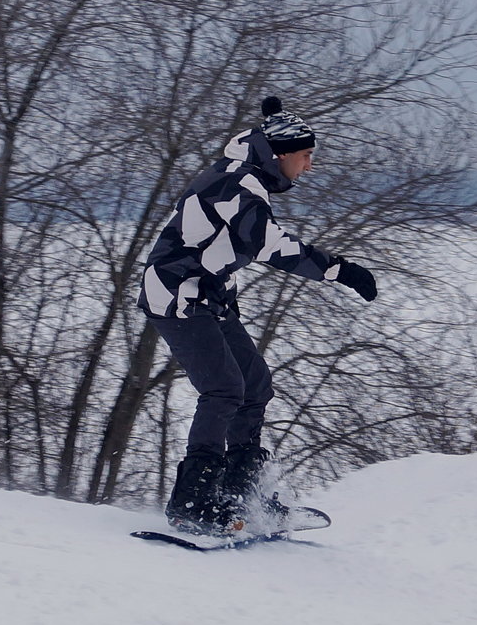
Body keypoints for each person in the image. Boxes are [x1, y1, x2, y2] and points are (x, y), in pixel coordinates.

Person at [137, 96, 377, 535]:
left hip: (210, 297)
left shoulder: (247, 180)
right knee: (224, 389)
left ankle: (239, 492)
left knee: (255, 386)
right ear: (281, 154)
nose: (308, 167)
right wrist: (342, 269)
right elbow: (274, 247)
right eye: (306, 157)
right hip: (175, 295)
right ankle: (193, 501)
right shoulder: (236, 184)